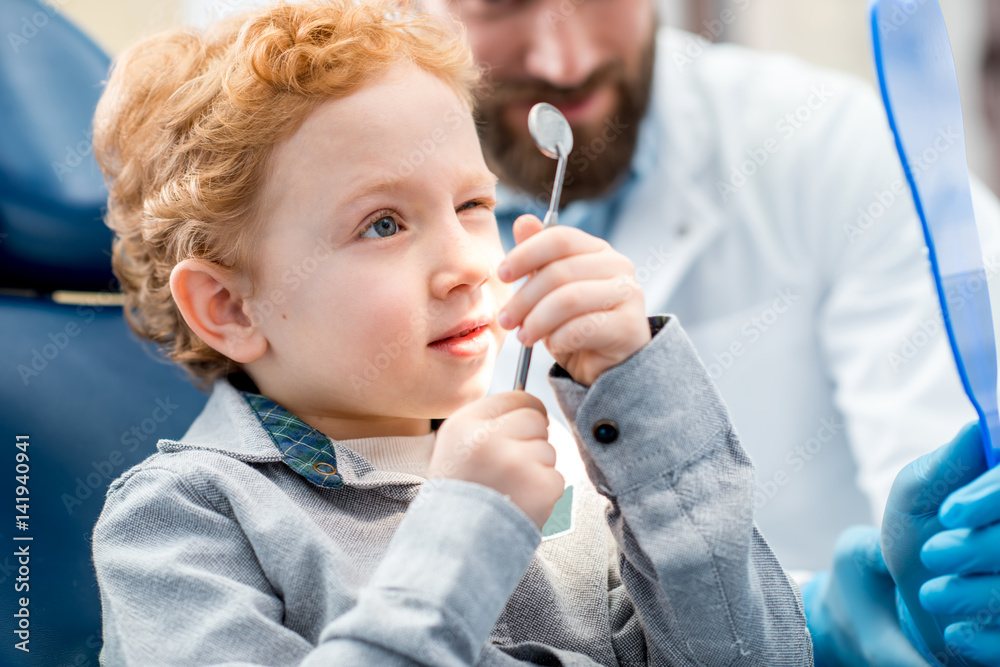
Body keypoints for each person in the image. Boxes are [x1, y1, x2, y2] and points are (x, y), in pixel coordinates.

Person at [88, 1, 811, 664]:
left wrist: (645, 407)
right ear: (229, 307)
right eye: (383, 224)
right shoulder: (180, 524)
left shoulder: (563, 479)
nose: (466, 263)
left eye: (472, 203)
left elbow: (756, 654)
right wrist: (469, 529)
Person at [418, 0, 1000, 576]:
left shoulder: (830, 146)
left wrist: (838, 622)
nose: (567, 62)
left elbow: (956, 482)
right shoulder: (340, 204)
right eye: (501, 5)